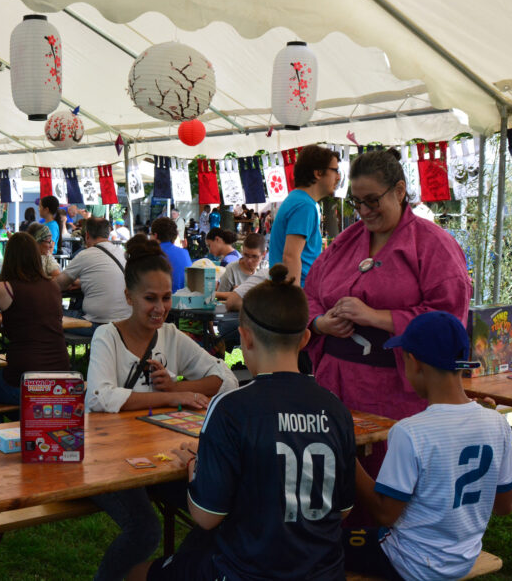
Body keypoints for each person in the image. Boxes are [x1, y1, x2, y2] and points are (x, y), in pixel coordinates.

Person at [141, 264, 356, 581]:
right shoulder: (336, 409)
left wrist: (195, 466)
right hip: (325, 572)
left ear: (245, 337)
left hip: (244, 571)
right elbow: (344, 509)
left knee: (140, 573)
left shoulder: (230, 408)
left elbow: (206, 516)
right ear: (305, 339)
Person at [304, 148, 472, 475]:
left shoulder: (433, 244)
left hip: (396, 389)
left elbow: (448, 319)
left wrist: (376, 317)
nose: (364, 211)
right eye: (357, 202)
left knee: (389, 475)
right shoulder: (345, 241)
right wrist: (320, 323)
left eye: (372, 200)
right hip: (335, 382)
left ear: (399, 191)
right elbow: (311, 292)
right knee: (335, 472)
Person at [84, 236, 237, 581]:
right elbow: (99, 397)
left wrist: (177, 387)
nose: (160, 307)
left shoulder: (170, 335)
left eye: (166, 297)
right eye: (150, 298)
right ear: (129, 297)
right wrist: (169, 398)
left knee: (218, 508)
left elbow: (225, 378)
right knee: (144, 530)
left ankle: (180, 571)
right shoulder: (107, 335)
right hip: (107, 458)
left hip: (159, 457)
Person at [345, 311, 512, 581]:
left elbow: (385, 514)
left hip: (409, 563)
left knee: (326, 544)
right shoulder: (496, 423)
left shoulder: (410, 432)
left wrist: (347, 456)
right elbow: (505, 505)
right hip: (462, 559)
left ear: (415, 363)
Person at [0, 233, 70, 406]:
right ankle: (18, 418)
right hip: (61, 375)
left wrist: (4, 322)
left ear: (9, 257)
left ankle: (2, 423)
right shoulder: (53, 285)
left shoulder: (6, 288)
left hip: (24, 378)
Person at [269, 145, 340, 286]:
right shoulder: (304, 206)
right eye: (335, 171)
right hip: (300, 291)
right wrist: (294, 296)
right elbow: (290, 257)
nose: (338, 177)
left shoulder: (299, 200)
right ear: (318, 173)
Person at [54, 217, 130, 332]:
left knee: (48, 314)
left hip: (97, 325)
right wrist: (83, 282)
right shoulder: (121, 253)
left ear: (87, 235)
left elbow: (58, 285)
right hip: (125, 323)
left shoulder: (85, 255)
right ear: (108, 234)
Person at [149, 217, 191, 292]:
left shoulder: (153, 254)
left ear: (155, 235)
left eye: (150, 234)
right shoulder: (184, 253)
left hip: (165, 297)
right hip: (186, 296)